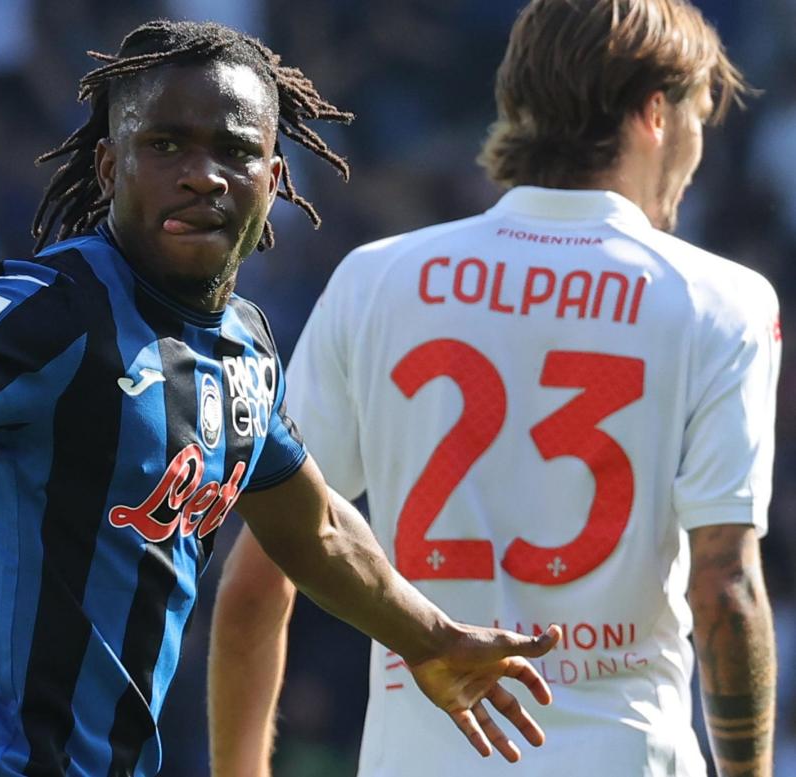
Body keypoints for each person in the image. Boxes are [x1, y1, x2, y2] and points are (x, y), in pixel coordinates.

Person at [0, 20, 561, 777]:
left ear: (273, 177)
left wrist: (431, 638)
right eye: (166, 144)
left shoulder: (246, 352)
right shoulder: (55, 306)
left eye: (232, 151)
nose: (201, 175)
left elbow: (314, 529)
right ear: (109, 165)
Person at [207, 1, 780, 776]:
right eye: (698, 116)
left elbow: (257, 578)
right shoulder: (720, 300)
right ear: (655, 114)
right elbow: (726, 589)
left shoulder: (376, 281)